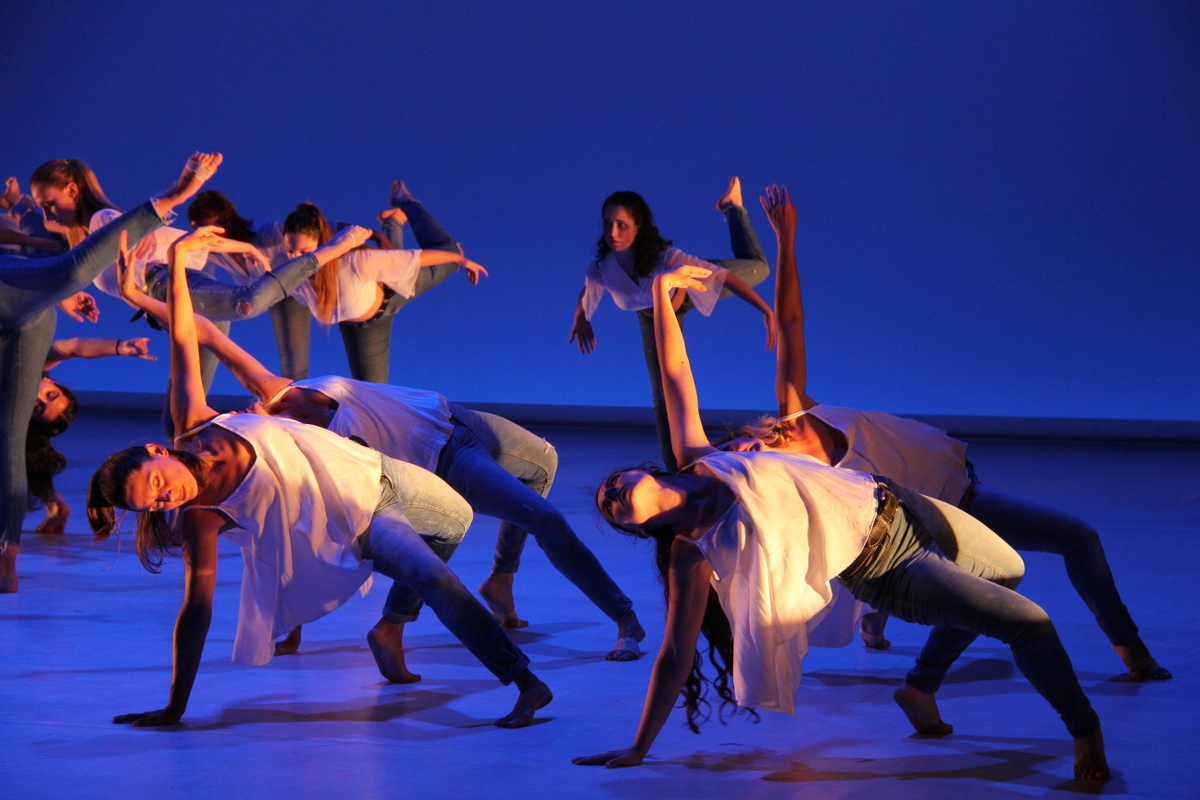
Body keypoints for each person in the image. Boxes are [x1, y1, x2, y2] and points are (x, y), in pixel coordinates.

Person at [572, 256, 1110, 780]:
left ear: (646, 471)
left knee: (1010, 571)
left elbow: (675, 372)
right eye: (610, 507)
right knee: (1028, 623)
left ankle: (919, 687)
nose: (613, 494)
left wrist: (663, 290)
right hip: (887, 567)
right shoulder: (690, 554)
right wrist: (639, 747)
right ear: (637, 528)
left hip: (904, 503)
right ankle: (1085, 729)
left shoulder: (702, 456)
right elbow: (674, 654)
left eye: (613, 483)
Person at [87, 225, 551, 727]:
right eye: (157, 505)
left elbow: (184, 332)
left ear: (158, 451)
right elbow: (195, 613)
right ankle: (526, 682)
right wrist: (175, 707)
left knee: (456, 522)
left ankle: (391, 627)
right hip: (364, 517)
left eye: (157, 483)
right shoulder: (202, 518)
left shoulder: (193, 423)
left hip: (380, 470)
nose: (168, 497)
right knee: (435, 577)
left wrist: (177, 258)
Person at [718, 186, 1168, 682]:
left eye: (737, 446)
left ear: (744, 432)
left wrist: (786, 240)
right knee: (1054, 550)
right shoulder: (803, 478)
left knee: (1070, 544)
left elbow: (791, 322)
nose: (747, 451)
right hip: (943, 518)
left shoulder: (796, 409)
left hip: (956, 488)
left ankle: (878, 621)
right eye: (742, 462)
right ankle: (1128, 650)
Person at [117, 264, 646, 663]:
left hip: (451, 413)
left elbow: (202, 332)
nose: (242, 418)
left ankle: (501, 580)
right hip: (447, 457)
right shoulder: (298, 450)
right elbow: (290, 532)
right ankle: (626, 620)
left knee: (543, 461)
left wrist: (138, 296)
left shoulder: (279, 390)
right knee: (542, 517)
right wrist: (290, 620)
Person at [0, 152, 222, 593]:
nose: (47, 213)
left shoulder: (86, 225)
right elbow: (54, 264)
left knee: (9, 438)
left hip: (22, 304)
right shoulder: (59, 229)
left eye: (49, 203)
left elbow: (64, 275)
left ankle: (7, 554)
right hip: (24, 298)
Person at [568, 178, 775, 470]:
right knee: (662, 393)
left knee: (760, 267)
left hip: (692, 285)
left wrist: (766, 310)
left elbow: (724, 277)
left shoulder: (668, 258)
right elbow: (588, 290)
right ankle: (676, 468)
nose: (613, 232)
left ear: (638, 226)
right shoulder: (601, 269)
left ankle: (733, 209)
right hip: (653, 316)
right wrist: (582, 319)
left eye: (622, 225)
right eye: (607, 224)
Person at [280, 181, 486, 384]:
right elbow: (265, 287)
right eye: (290, 251)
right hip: (364, 328)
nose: (296, 257)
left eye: (304, 251)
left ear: (323, 244)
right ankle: (393, 221)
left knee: (450, 252)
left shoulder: (356, 262)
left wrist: (461, 260)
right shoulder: (291, 274)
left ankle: (406, 202)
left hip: (394, 289)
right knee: (373, 392)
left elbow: (418, 258)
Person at [27, 336, 157, 533]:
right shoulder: (29, 367)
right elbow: (73, 347)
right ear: (51, 382)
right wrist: (119, 347)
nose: (37, 395)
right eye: (50, 394)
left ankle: (53, 502)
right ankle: (53, 501)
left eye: (37, 407)